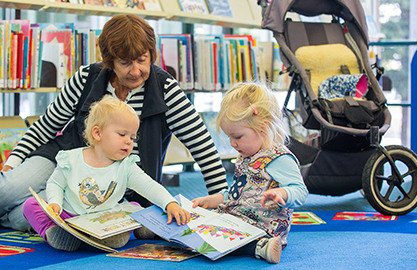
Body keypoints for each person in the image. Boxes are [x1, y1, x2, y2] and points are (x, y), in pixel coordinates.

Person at [0, 14, 227, 232]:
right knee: (6, 191)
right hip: (63, 159)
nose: (136, 70)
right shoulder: (86, 78)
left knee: (27, 216)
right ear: (110, 61)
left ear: (152, 55)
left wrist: (222, 199)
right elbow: (44, 128)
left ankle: (21, 210)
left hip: (109, 186)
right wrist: (13, 162)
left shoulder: (166, 90)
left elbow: (202, 147)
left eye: (142, 60)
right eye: (125, 62)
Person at [23, 96, 191, 251]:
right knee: (30, 205)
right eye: (122, 134)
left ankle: (140, 229)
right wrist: (55, 204)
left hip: (107, 218)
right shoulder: (71, 159)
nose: (129, 141)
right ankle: (54, 232)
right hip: (70, 216)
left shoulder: (126, 165)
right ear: (98, 133)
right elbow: (55, 184)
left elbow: (149, 186)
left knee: (134, 207)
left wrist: (170, 203)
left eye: (132, 137)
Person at [191, 82, 308, 264]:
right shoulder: (246, 156)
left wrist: (282, 193)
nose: (232, 143)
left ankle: (262, 248)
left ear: (263, 128)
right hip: (237, 221)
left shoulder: (279, 158)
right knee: (200, 229)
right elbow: (236, 195)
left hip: (263, 229)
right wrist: (210, 200)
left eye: (237, 137)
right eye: (229, 137)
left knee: (212, 241)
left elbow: (301, 192)